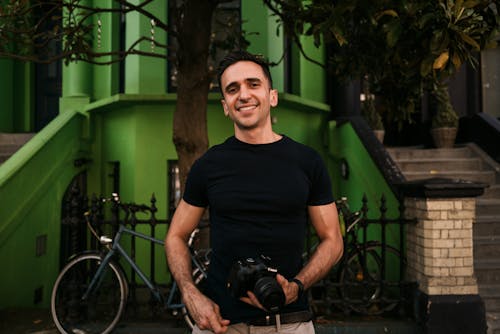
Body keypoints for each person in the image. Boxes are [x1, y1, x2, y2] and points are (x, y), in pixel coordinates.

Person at [165, 50, 343, 334]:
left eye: (253, 84)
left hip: (290, 324)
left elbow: (333, 240)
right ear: (225, 106)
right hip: (221, 324)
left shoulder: (307, 162)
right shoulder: (208, 166)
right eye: (233, 89)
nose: (243, 94)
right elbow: (176, 235)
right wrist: (190, 294)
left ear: (272, 96)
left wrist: (296, 286)